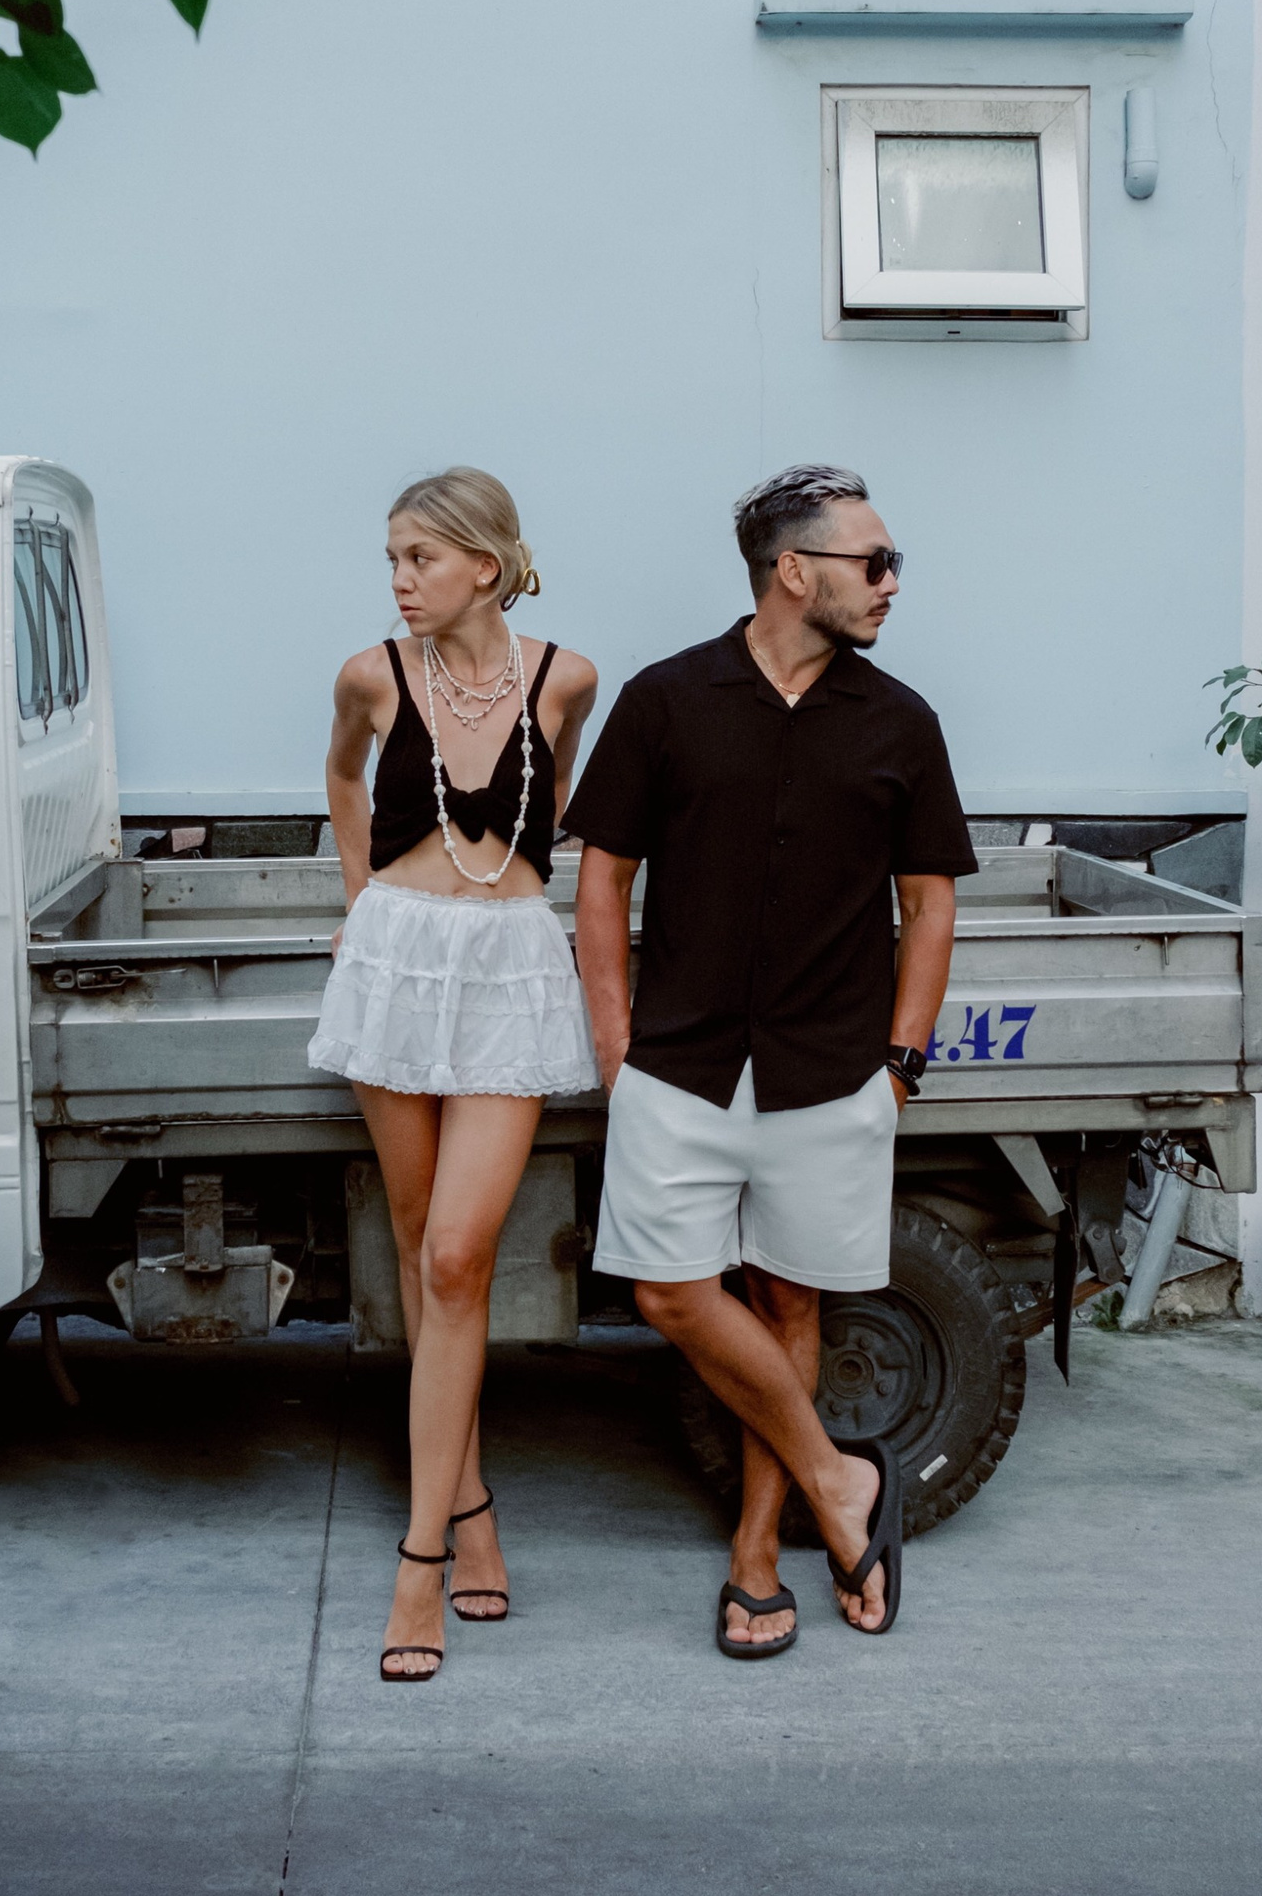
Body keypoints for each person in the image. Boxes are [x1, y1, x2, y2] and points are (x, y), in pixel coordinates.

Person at [566, 462, 974, 1658]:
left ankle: (758, 1554)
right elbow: (603, 874)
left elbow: (930, 901)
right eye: (873, 561)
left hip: (831, 1066)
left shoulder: (901, 721)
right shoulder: (664, 699)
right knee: (667, 1291)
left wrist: (898, 1058)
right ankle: (840, 1482)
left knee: (789, 1295)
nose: (892, 582)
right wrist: (614, 1037)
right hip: (679, 1064)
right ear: (792, 571)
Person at [311, 470, 599, 1683]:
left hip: (511, 963)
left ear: (484, 563)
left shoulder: (567, 677)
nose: (398, 580)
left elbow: (557, 801)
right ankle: (469, 1499)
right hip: (397, 958)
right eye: (390, 559)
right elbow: (338, 777)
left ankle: (416, 1559)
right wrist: (358, 904)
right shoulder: (372, 673)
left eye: (418, 558)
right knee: (425, 1236)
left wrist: (493, 905)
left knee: (455, 1257)